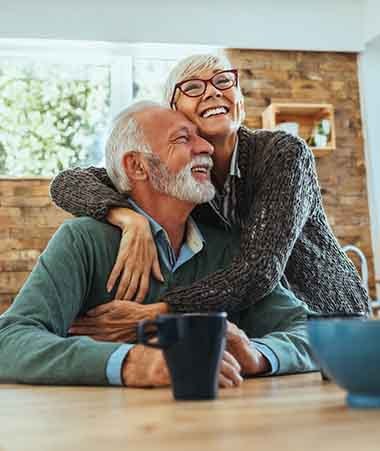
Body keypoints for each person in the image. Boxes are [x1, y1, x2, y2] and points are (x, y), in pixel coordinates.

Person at [0, 102, 316, 387]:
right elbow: (9, 340)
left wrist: (257, 355)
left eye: (200, 137)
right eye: (182, 138)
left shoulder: (228, 249)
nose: (206, 146)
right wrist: (129, 362)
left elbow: (311, 333)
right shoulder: (82, 241)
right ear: (138, 166)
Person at [50, 53, 369, 330]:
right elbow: (67, 182)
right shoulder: (180, 176)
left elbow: (259, 269)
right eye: (192, 87)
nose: (213, 92)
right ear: (174, 110)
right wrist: (129, 219)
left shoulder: (283, 154)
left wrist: (163, 311)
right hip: (256, 324)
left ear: (239, 98)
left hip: (328, 319)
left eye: (223, 82)